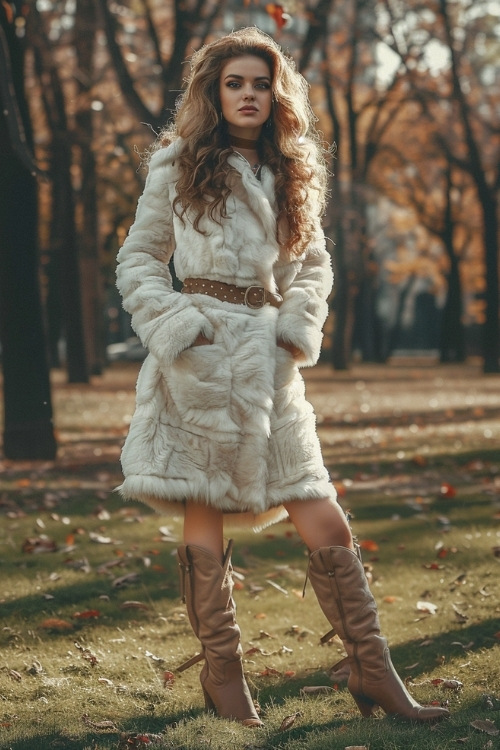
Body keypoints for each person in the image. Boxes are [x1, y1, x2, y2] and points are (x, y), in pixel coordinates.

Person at [115, 27, 449, 728]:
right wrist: (182, 330)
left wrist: (297, 330)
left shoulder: (294, 167)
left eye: (261, 84)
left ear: (277, 94)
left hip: (269, 359)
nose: (248, 95)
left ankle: (372, 667)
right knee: (202, 506)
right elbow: (140, 260)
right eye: (234, 83)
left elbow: (314, 263)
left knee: (316, 503)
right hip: (199, 357)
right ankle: (225, 679)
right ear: (213, 91)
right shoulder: (177, 163)